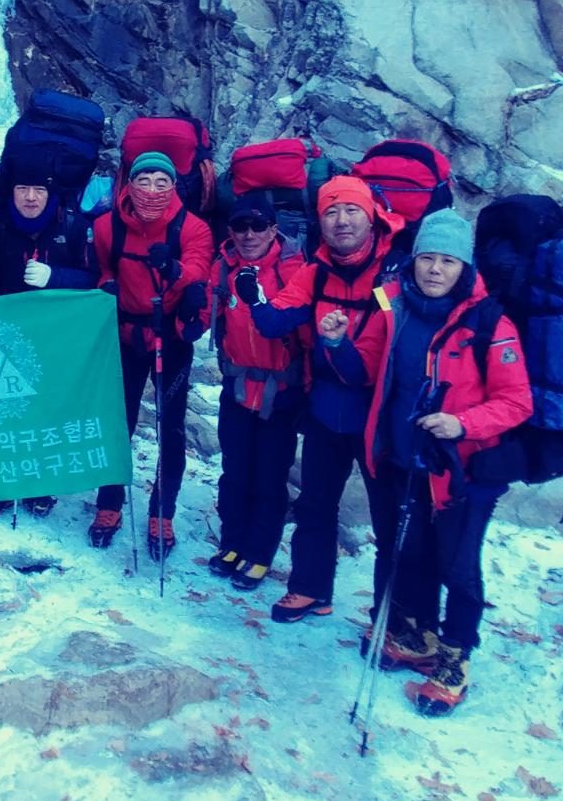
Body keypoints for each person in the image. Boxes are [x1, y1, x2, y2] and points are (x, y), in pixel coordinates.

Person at [325, 209, 532, 715]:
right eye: (427, 258)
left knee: (456, 566)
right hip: (403, 459)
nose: (435, 270)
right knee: (411, 552)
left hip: (464, 472)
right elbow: (365, 370)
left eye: (448, 261)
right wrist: (335, 343)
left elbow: (517, 402)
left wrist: (462, 424)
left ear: (464, 267)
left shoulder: (490, 323)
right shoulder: (394, 307)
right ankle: (419, 637)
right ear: (414, 260)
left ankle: (455, 660)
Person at [240, 175, 404, 621]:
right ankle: (309, 590)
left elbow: (376, 362)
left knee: (389, 518)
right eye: (331, 211)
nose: (341, 220)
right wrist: (256, 302)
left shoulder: (396, 273)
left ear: (371, 216)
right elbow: (275, 323)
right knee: (315, 503)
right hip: (326, 408)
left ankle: (392, 615)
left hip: (378, 414)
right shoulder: (315, 272)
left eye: (352, 210)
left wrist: (336, 343)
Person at [0, 146, 98, 518]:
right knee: (1, 412)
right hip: (2, 336)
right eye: (22, 189)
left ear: (51, 192)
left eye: (39, 190)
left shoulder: (73, 226)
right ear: (12, 191)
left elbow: (94, 279)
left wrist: (56, 277)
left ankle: (40, 482)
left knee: (45, 410)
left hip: (53, 336)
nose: (31, 197)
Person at [90, 150, 214, 557]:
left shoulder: (192, 227)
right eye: (144, 181)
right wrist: (106, 285)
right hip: (126, 336)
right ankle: (109, 503)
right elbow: (104, 267)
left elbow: (199, 266)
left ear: (174, 186)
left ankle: (163, 510)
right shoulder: (108, 226)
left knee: (171, 428)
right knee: (117, 422)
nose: (152, 190)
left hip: (170, 336)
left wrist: (175, 271)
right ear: (130, 183)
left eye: (162, 182)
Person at [204, 191, 309, 590]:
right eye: (240, 226)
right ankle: (232, 543)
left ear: (273, 229)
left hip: (279, 391)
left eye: (258, 226)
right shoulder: (222, 268)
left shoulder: (295, 269)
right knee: (235, 471)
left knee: (269, 476)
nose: (249, 235)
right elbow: (207, 315)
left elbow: (305, 331)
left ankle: (259, 552)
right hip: (236, 385)